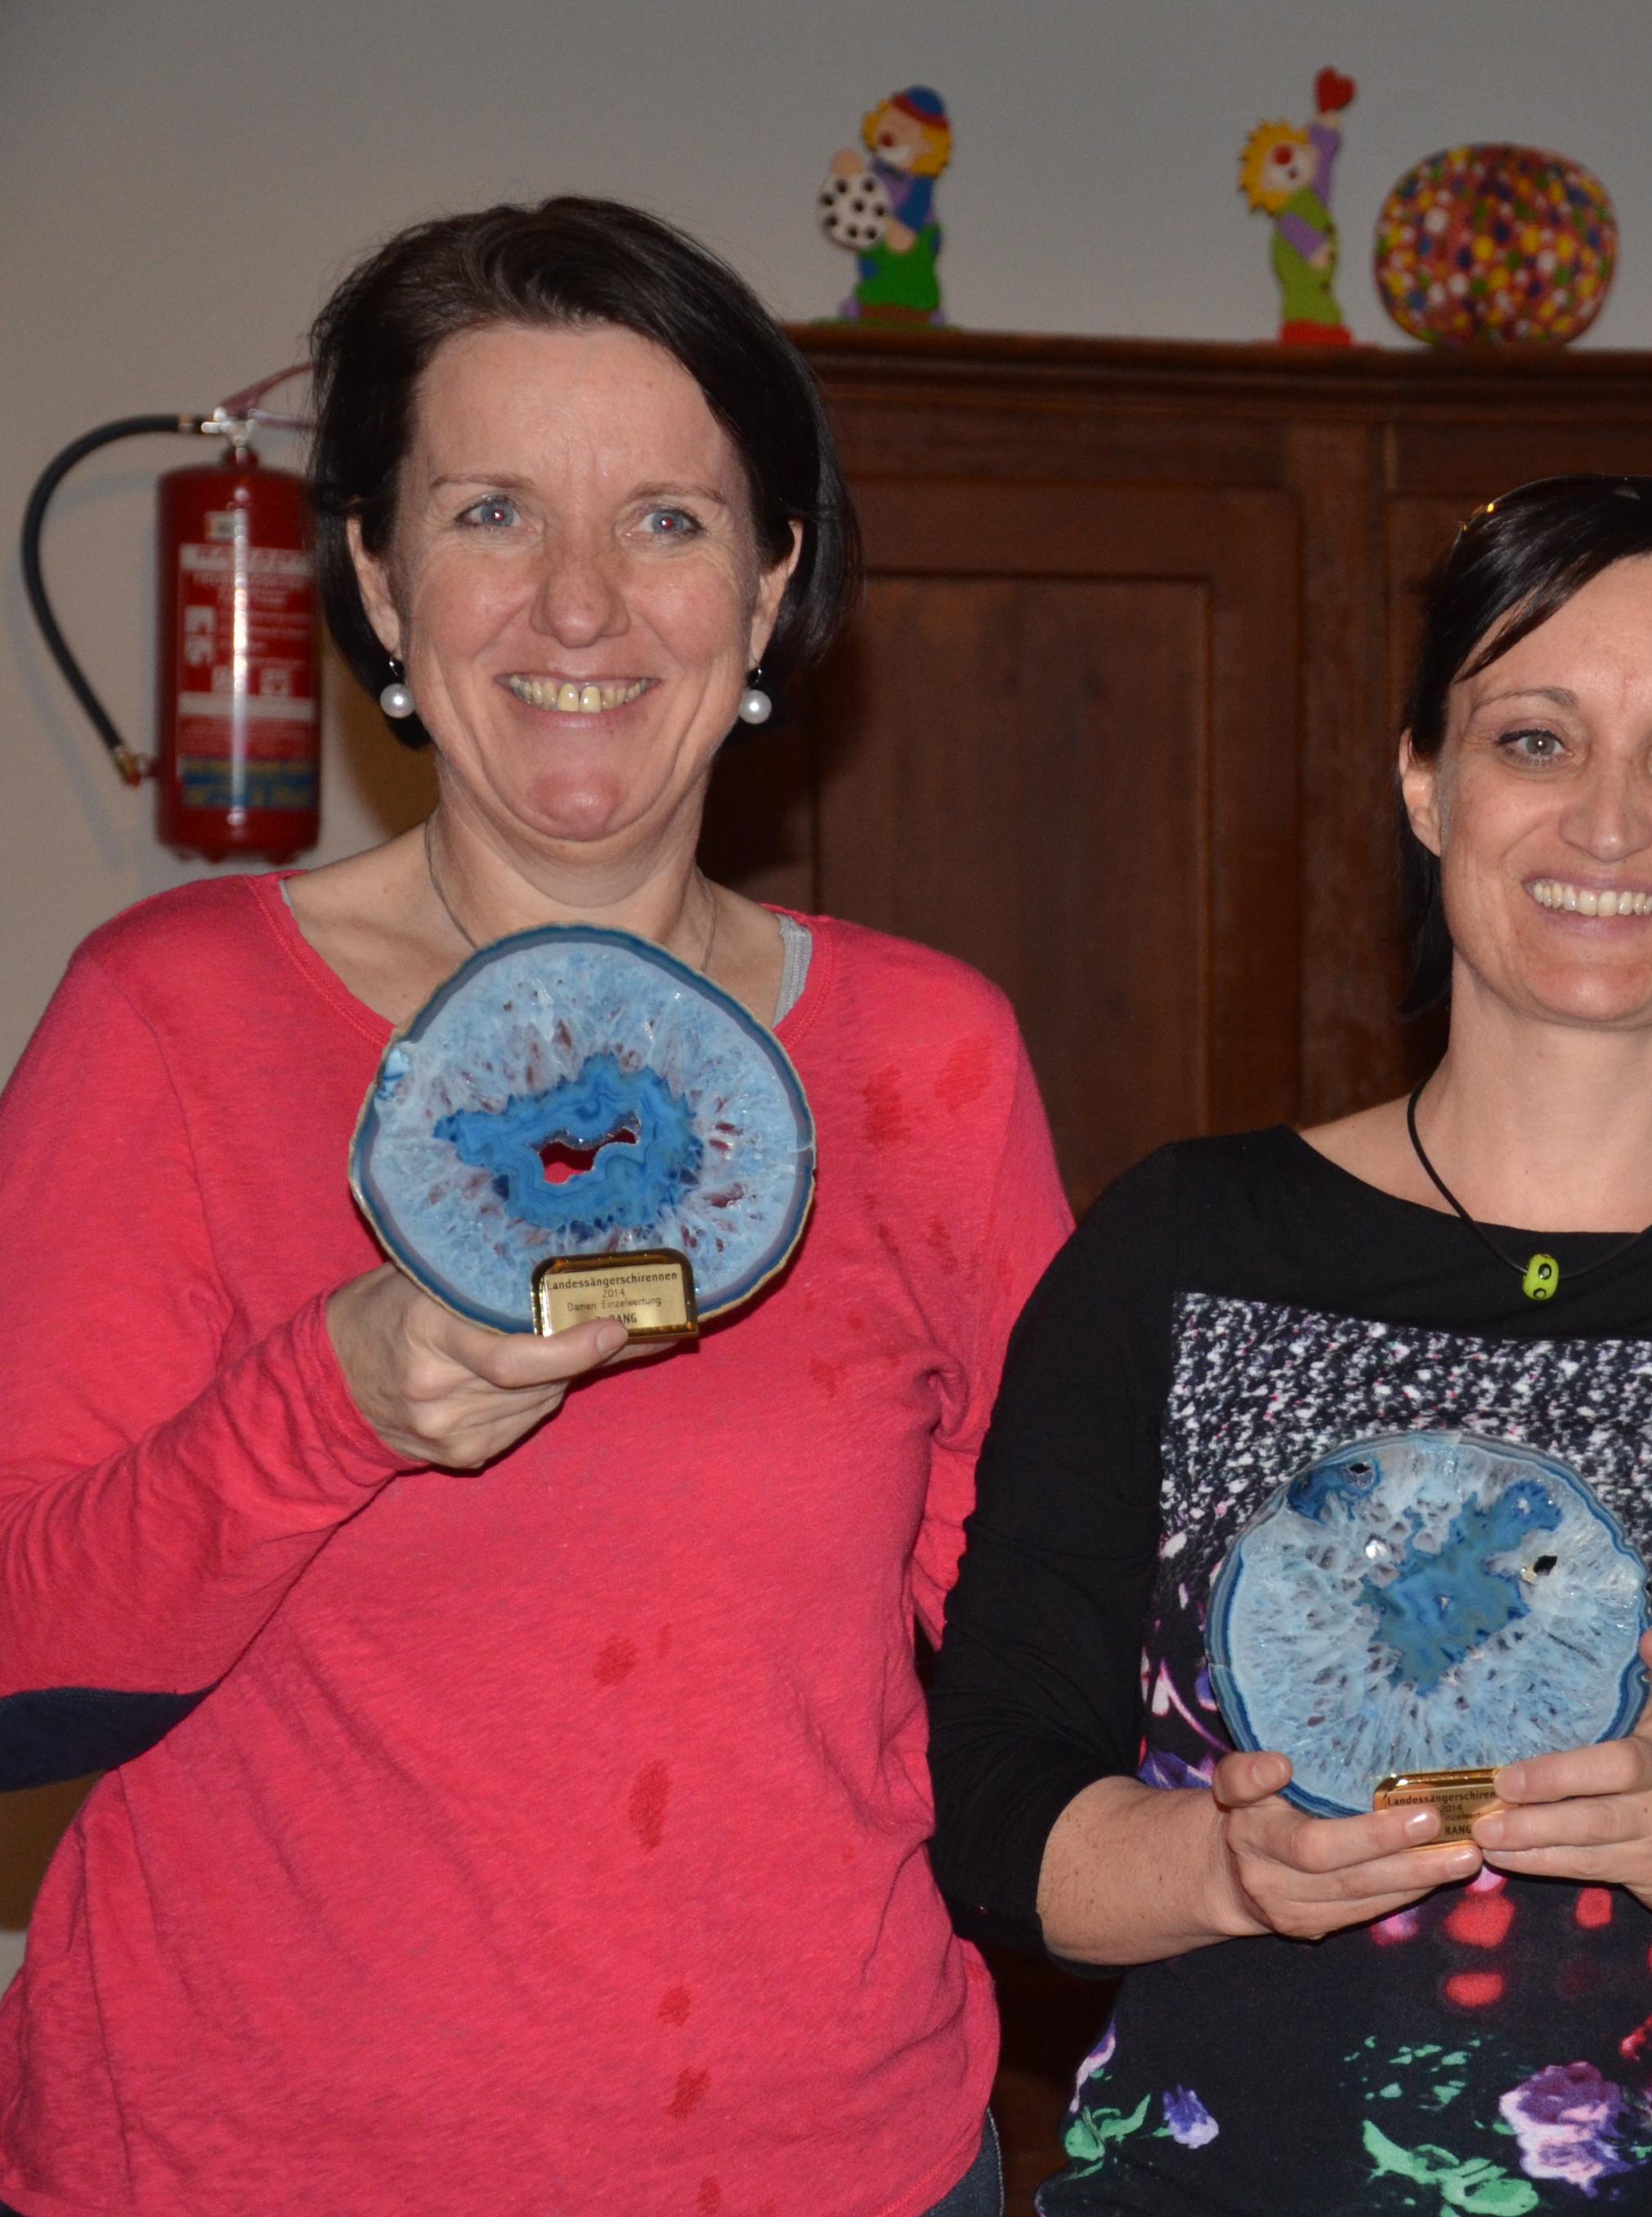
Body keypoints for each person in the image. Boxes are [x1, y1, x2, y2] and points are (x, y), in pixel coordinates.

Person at [0, 199, 1068, 2214]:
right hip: (246, 2174)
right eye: (493, 514)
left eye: (665, 521)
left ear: (770, 582)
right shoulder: (168, 1021)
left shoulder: (932, 1059)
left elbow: (1050, 1639)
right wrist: (327, 1403)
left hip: (842, 2163)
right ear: (378, 579)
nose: (580, 607)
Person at [929, 475, 1652, 2212]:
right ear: (1425, 781)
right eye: (1536, 739)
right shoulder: (1182, 1249)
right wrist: (1221, 1869)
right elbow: (987, 1805)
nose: (1608, 822)